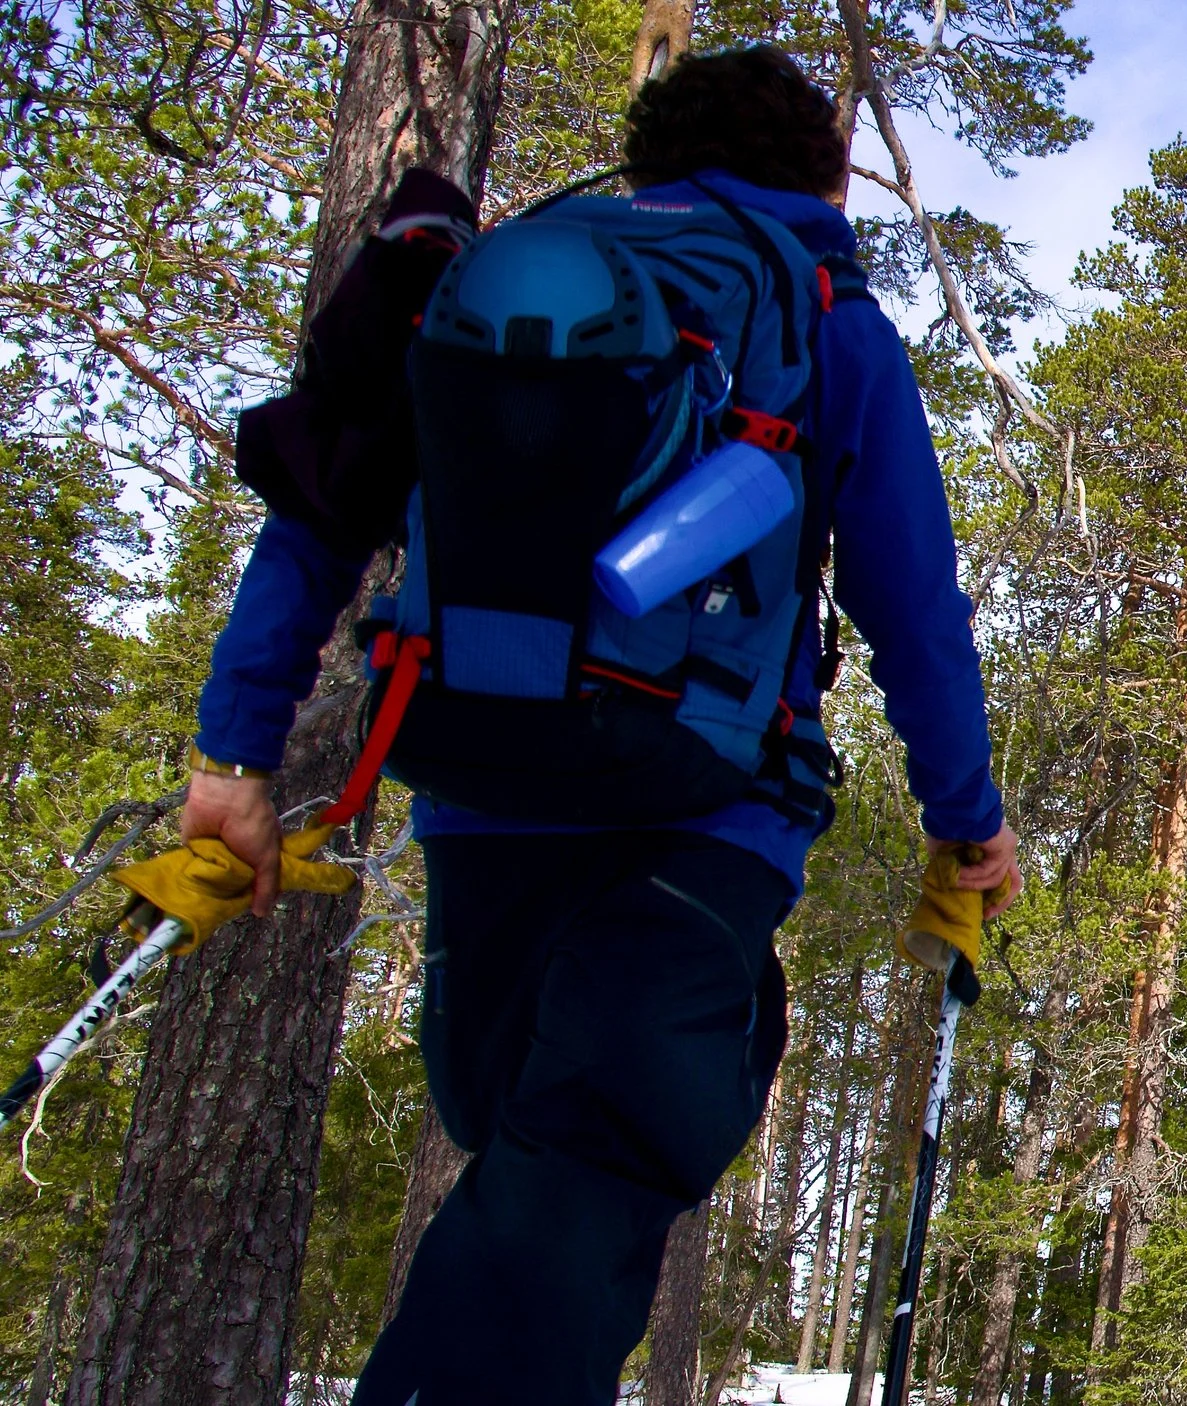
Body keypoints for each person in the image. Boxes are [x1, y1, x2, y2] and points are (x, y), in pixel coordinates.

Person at [179, 45, 1019, 1404]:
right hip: (705, 808)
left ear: (647, 162)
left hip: (483, 789)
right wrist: (967, 823)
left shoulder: (499, 283)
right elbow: (915, 602)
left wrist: (236, 753)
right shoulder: (821, 309)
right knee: (586, 1165)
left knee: (528, 1146)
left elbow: (318, 518)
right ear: (826, 181)